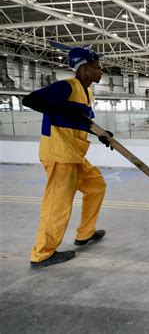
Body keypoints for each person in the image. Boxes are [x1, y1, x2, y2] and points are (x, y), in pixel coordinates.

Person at [23, 46, 114, 270]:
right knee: (58, 206)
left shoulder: (88, 92)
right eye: (97, 68)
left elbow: (82, 120)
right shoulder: (65, 86)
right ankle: (42, 254)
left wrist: (101, 134)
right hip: (59, 154)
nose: (101, 72)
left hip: (74, 154)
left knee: (96, 186)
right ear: (84, 68)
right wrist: (63, 109)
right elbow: (31, 100)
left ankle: (85, 233)